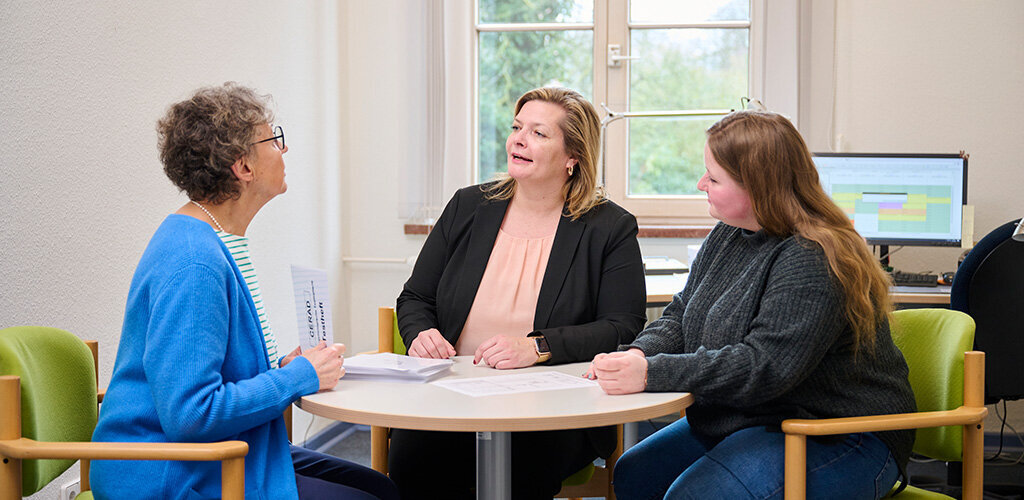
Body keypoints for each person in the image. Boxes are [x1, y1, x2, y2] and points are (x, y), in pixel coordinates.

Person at [91, 83, 398, 500]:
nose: (283, 150)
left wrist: (283, 367)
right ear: (243, 167)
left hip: (219, 450)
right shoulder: (194, 261)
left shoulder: (211, 240)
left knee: (379, 486)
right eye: (273, 139)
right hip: (170, 471)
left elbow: (212, 370)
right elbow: (193, 414)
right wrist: (298, 377)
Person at [589, 110, 916, 500]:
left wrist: (650, 373)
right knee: (636, 474)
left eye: (713, 178)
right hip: (761, 418)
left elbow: (764, 367)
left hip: (841, 434)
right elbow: (681, 313)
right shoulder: (730, 232)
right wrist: (638, 354)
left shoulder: (812, 256)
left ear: (758, 188)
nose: (700, 184)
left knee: (694, 497)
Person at [392, 87, 647, 499]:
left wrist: (538, 348)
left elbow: (623, 327)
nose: (518, 139)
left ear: (572, 157)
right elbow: (415, 298)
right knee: (413, 460)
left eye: (539, 133)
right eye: (516, 127)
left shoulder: (609, 227)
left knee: (524, 467)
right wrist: (421, 333)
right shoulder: (467, 206)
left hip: (555, 405)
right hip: (452, 394)